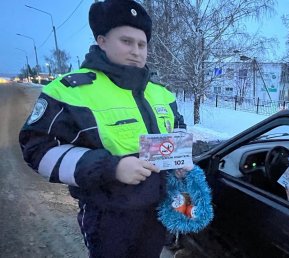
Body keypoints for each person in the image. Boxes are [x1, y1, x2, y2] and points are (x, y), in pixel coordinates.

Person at [19, 0, 188, 257]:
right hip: (108, 216)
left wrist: (179, 157)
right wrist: (113, 167)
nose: (136, 51)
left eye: (142, 45)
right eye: (126, 41)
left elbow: (177, 129)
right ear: (102, 40)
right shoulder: (70, 91)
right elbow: (38, 150)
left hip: (156, 210)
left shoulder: (161, 93)